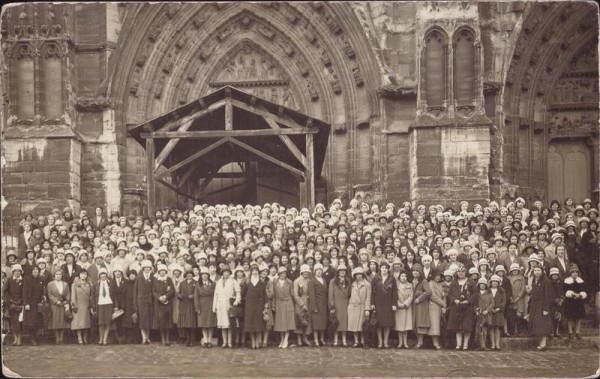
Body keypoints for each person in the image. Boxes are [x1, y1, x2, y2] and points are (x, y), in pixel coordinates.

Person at [447, 265, 476, 350]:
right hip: (457, 307)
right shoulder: (454, 282)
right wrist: (454, 300)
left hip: (467, 307)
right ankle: (458, 344)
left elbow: (475, 294)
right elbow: (450, 294)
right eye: (459, 272)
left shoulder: (470, 282)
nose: (461, 273)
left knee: (467, 327)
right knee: (458, 327)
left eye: (462, 272)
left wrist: (468, 301)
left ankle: (465, 345)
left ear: (465, 273)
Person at [213, 266, 241, 348]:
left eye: (227, 272)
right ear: (222, 273)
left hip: (229, 304)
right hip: (220, 304)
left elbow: (238, 292)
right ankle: (224, 342)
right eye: (224, 272)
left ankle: (229, 342)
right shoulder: (218, 282)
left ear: (229, 273)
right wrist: (214, 306)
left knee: (229, 324)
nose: (226, 273)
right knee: (222, 325)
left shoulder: (233, 281)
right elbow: (216, 294)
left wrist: (236, 301)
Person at [371, 261, 398, 349]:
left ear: (388, 269)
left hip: (388, 303)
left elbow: (395, 292)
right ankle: (380, 342)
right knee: (379, 324)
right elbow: (372, 292)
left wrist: (394, 303)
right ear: (380, 269)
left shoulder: (392, 279)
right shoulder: (376, 278)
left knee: (387, 323)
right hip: (378, 303)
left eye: (386, 268)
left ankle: (385, 342)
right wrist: (372, 303)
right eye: (383, 268)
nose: (384, 270)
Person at [243, 263, 269, 349]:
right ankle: (253, 342)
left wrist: (265, 305)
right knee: (251, 324)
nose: (254, 272)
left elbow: (265, 295)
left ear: (258, 272)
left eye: (256, 270)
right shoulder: (247, 281)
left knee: (258, 324)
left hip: (259, 306)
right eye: (253, 270)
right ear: (251, 272)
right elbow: (243, 294)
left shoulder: (261, 282)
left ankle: (258, 342)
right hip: (249, 306)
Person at [527, 266, 553, 351]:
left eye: (538, 270)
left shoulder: (546, 281)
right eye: (535, 270)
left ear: (542, 271)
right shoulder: (535, 280)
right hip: (535, 305)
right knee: (538, 325)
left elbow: (547, 296)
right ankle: (540, 343)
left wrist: (546, 309)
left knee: (543, 325)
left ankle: (543, 344)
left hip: (542, 305)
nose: (537, 272)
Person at [272, 266, 295, 348]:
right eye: (281, 273)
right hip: (279, 304)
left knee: (288, 323)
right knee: (280, 324)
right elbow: (274, 295)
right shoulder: (275, 282)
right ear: (278, 274)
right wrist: (273, 305)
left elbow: (293, 294)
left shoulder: (289, 282)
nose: (283, 275)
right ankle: (282, 339)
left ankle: (286, 339)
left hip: (288, 303)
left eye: (284, 273)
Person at [348, 267, 371, 347]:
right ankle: (356, 341)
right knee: (354, 326)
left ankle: (363, 341)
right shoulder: (352, 284)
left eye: (360, 274)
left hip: (362, 307)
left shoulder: (367, 284)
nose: (358, 276)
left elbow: (368, 297)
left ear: (363, 275)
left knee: (362, 325)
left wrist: (367, 309)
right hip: (353, 307)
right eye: (357, 275)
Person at [22, 265, 45, 345]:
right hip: (30, 303)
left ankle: (35, 337)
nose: (35, 271)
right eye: (34, 269)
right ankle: (32, 339)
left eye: (37, 269)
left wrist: (43, 297)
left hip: (38, 303)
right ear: (31, 271)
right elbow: (24, 292)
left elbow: (42, 290)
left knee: (37, 321)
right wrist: (26, 303)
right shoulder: (27, 279)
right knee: (30, 323)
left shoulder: (40, 279)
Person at [328, 263, 350, 347]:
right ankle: (336, 340)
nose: (342, 272)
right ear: (337, 272)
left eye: (344, 271)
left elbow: (349, 293)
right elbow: (330, 294)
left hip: (345, 305)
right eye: (340, 271)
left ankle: (344, 340)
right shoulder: (333, 281)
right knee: (336, 322)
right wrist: (332, 306)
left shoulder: (347, 281)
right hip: (336, 304)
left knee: (344, 323)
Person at [152, 264, 175, 346]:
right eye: (161, 271)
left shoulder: (169, 279)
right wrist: (159, 298)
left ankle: (168, 338)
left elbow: (172, 290)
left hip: (168, 303)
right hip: (159, 303)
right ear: (159, 272)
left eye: (164, 271)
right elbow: (154, 291)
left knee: (168, 321)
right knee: (161, 321)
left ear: (166, 272)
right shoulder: (156, 280)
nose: (162, 273)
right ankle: (163, 338)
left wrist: (166, 296)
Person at [195, 266, 217, 347]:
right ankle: (205, 340)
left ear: (208, 275)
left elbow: (216, 295)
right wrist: (197, 308)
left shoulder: (213, 284)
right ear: (201, 276)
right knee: (203, 323)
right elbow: (196, 297)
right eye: (203, 274)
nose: (204, 276)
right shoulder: (198, 285)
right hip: (202, 305)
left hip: (210, 304)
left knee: (210, 324)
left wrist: (215, 306)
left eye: (206, 274)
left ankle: (210, 341)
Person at [47, 270, 71, 344]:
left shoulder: (65, 284)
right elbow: (50, 294)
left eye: (60, 274)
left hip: (63, 304)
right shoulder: (50, 284)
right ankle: (57, 338)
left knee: (62, 321)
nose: (58, 275)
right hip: (55, 305)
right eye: (57, 274)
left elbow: (68, 293)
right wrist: (56, 301)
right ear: (54, 275)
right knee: (55, 321)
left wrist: (66, 301)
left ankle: (61, 337)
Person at [133, 260, 154, 344]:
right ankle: (143, 338)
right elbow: (135, 290)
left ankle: (148, 337)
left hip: (149, 301)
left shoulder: (152, 277)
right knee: (142, 320)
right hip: (141, 301)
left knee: (148, 320)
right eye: (145, 268)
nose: (147, 269)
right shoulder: (139, 277)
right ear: (143, 268)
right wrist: (135, 303)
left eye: (148, 268)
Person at [563, 265, 587, 339]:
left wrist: (580, 295)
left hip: (578, 301)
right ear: (571, 273)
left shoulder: (581, 281)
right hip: (570, 301)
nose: (575, 274)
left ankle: (577, 332)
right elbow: (565, 290)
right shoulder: (567, 281)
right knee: (569, 317)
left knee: (578, 317)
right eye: (573, 272)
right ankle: (570, 332)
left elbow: (584, 290)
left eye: (576, 272)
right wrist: (572, 294)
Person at [411, 263, 432, 349]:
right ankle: (418, 341)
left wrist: (419, 298)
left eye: (417, 271)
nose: (415, 273)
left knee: (421, 323)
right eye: (414, 271)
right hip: (413, 305)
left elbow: (428, 291)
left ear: (420, 273)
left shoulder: (423, 281)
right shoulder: (411, 281)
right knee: (415, 322)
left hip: (421, 305)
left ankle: (420, 342)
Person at [308, 263, 328, 347]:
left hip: (323, 304)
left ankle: (322, 339)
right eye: (317, 270)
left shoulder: (324, 280)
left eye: (320, 270)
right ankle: (316, 339)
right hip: (316, 304)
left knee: (323, 322)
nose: (319, 271)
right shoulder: (312, 281)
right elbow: (312, 295)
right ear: (314, 271)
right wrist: (314, 306)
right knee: (316, 323)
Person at [4, 264, 24, 345]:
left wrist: (20, 300)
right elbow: (5, 291)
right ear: (13, 272)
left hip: (20, 304)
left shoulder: (23, 280)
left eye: (19, 271)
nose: (17, 273)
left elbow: (25, 292)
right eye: (15, 271)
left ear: (21, 272)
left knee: (19, 322)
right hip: (11, 304)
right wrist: (11, 300)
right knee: (13, 321)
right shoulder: (9, 280)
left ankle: (19, 338)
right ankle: (15, 337)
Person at [71, 269, 92, 344]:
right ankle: (79, 338)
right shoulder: (75, 284)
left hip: (86, 305)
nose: (84, 275)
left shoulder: (88, 284)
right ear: (79, 275)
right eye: (82, 274)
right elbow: (73, 296)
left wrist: (90, 305)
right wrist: (74, 305)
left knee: (86, 322)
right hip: (78, 305)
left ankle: (85, 338)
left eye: (85, 274)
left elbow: (90, 295)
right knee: (78, 323)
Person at [292, 264, 312, 346]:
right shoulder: (297, 281)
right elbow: (295, 295)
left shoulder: (310, 280)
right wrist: (302, 305)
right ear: (301, 272)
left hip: (308, 302)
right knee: (300, 319)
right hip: (299, 303)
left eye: (307, 271)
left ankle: (305, 337)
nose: (306, 273)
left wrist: (309, 297)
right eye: (304, 271)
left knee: (307, 320)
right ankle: (299, 338)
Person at [177, 269, 197, 347]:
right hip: (183, 304)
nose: (189, 275)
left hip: (191, 304)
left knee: (191, 323)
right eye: (188, 274)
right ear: (186, 275)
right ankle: (187, 339)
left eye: (191, 274)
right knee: (185, 323)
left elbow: (197, 293)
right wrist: (179, 295)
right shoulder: (182, 283)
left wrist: (193, 296)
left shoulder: (195, 283)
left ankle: (192, 340)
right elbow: (178, 292)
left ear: (192, 275)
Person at [394, 269, 413, 349]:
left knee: (406, 326)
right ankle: (400, 342)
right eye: (402, 276)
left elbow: (411, 296)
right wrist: (398, 303)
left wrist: (405, 304)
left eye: (405, 276)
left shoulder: (410, 285)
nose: (404, 277)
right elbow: (394, 295)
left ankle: (405, 343)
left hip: (406, 307)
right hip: (399, 307)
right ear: (399, 277)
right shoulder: (396, 285)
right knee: (399, 326)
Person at [428, 269, 446, 350]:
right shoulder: (431, 284)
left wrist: (443, 306)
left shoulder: (440, 285)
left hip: (440, 306)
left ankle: (438, 341)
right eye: (436, 276)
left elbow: (444, 296)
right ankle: (435, 342)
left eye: (439, 276)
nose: (438, 277)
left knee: (439, 324)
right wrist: (443, 304)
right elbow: (432, 296)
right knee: (434, 324)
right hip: (433, 306)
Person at [474, 277, 493, 350]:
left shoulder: (489, 293)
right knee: (479, 330)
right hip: (479, 314)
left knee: (485, 330)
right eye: (481, 284)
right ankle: (480, 345)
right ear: (479, 285)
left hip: (486, 314)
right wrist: (476, 311)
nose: (482, 285)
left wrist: (487, 310)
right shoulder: (476, 294)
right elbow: (474, 303)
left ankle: (484, 345)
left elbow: (492, 303)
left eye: (484, 284)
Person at [488, 274, 506, 350]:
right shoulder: (488, 290)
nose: (494, 283)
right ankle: (493, 344)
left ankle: (497, 344)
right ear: (491, 282)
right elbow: (486, 301)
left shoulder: (502, 291)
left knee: (497, 328)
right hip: (490, 311)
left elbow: (504, 301)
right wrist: (490, 308)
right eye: (493, 281)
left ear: (498, 283)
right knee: (491, 327)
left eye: (496, 282)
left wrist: (499, 308)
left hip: (498, 311)